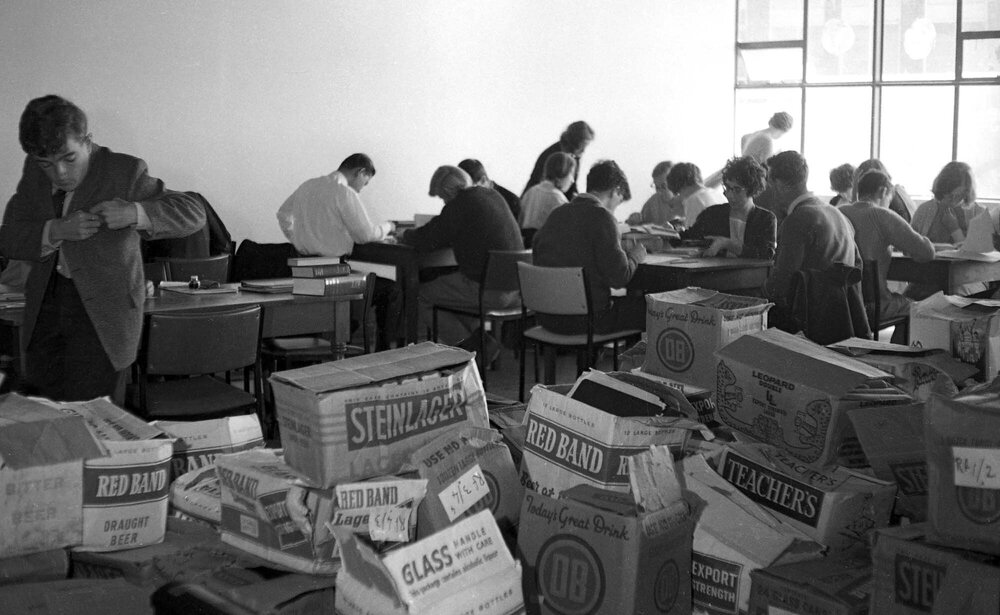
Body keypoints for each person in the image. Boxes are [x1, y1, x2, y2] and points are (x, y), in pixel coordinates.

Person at [0, 95, 206, 402]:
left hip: (104, 319)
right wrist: (54, 230)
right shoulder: (33, 172)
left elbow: (194, 212)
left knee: (98, 423)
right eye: (47, 164)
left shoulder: (124, 171)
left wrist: (136, 212)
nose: (60, 173)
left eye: (69, 159)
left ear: (87, 142)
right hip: (45, 311)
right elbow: (10, 236)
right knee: (46, 417)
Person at [276, 153, 401, 350]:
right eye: (365, 182)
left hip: (304, 271)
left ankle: (337, 341)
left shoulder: (308, 185)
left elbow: (283, 214)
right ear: (360, 172)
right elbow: (365, 235)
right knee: (391, 290)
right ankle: (384, 355)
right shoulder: (343, 192)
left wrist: (299, 239)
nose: (362, 189)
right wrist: (389, 226)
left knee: (366, 292)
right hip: (334, 273)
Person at [399, 166, 523, 357]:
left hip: (488, 290)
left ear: (448, 191)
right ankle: (481, 343)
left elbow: (427, 238)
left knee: (421, 295)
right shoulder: (492, 196)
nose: (443, 202)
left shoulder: (460, 204)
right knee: (450, 293)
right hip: (516, 291)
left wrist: (403, 234)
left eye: (442, 197)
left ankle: (470, 350)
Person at [763, 151, 868, 342]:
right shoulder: (838, 215)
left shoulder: (797, 220)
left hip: (808, 324)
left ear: (777, 185)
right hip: (841, 320)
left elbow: (779, 287)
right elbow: (857, 268)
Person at [532, 160, 647, 334]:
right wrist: (636, 255)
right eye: (619, 200)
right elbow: (619, 279)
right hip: (587, 320)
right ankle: (628, 360)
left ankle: (595, 356)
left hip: (547, 317)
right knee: (649, 307)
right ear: (616, 190)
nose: (616, 208)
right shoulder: (603, 217)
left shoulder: (557, 213)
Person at [838, 170, 934, 335]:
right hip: (873, 306)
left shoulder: (838, 212)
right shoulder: (882, 215)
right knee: (917, 307)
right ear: (883, 191)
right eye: (890, 198)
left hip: (841, 303)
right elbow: (927, 252)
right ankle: (899, 354)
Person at [907, 161, 986, 299]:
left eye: (957, 196)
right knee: (910, 298)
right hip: (926, 279)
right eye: (947, 195)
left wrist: (955, 229)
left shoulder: (978, 213)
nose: (951, 200)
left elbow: (975, 256)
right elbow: (909, 245)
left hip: (966, 281)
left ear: (967, 192)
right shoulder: (925, 210)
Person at [681, 156, 776, 260]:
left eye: (737, 189)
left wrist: (727, 243)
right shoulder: (712, 214)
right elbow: (689, 237)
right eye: (728, 188)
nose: (730, 195)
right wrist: (668, 233)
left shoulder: (766, 219)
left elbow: (767, 254)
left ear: (752, 189)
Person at [706, 111, 794, 188]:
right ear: (783, 130)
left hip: (739, 174)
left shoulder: (753, 134)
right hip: (748, 179)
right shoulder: (767, 140)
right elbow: (766, 168)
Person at [524, 121, 594, 200]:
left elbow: (572, 186)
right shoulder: (551, 155)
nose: (584, 151)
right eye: (582, 146)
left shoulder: (575, 157)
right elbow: (538, 183)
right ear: (575, 141)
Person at [519, 152, 575, 246]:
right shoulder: (561, 201)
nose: (572, 180)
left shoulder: (530, 192)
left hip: (525, 250)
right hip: (546, 252)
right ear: (562, 173)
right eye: (571, 174)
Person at [626, 161, 684, 226]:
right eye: (657, 187)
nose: (659, 191)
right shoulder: (652, 203)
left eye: (663, 186)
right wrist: (634, 220)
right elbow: (641, 226)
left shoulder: (688, 202)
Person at [666, 162, 719, 228]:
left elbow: (691, 236)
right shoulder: (715, 193)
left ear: (683, 186)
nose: (682, 199)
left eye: (679, 193)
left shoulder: (693, 200)